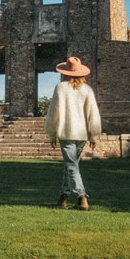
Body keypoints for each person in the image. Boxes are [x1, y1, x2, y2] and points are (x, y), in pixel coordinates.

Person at [45, 56, 102, 210]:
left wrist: (51, 133)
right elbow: (93, 115)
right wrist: (93, 135)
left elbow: (53, 112)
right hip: (82, 133)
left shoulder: (61, 88)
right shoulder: (87, 90)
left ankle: (81, 197)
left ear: (65, 73)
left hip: (67, 132)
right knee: (71, 165)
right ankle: (63, 197)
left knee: (71, 166)